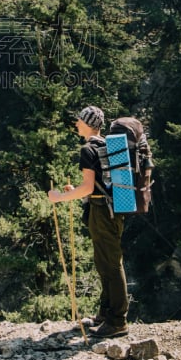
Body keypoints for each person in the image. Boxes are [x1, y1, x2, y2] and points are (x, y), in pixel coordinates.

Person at [48, 105, 129, 338]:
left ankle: (118, 321)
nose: (76, 124)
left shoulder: (87, 149)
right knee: (105, 261)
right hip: (112, 210)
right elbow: (98, 186)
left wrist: (59, 197)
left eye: (79, 121)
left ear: (87, 123)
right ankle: (106, 313)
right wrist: (76, 191)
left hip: (102, 213)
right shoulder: (107, 147)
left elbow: (88, 186)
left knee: (111, 264)